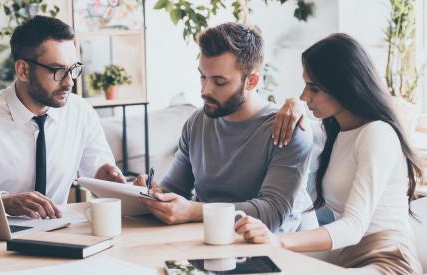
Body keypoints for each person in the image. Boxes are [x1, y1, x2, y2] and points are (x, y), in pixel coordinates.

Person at [235, 33, 423, 274]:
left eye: (313, 88)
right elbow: (293, 131)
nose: (305, 96)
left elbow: (353, 227)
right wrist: (294, 104)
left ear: (344, 86)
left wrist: (278, 241)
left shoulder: (377, 134)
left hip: (388, 262)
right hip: (348, 258)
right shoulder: (333, 132)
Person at [0, 16, 125, 219]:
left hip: (58, 234)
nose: (69, 82)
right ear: (23, 70)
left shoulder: (81, 112)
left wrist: (109, 183)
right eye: (58, 71)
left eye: (72, 69)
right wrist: (3, 202)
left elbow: (102, 180)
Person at [134, 22, 314, 233]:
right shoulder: (197, 122)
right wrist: (153, 194)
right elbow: (174, 189)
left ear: (252, 81)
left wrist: (195, 211)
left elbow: (272, 213)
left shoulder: (287, 128)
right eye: (203, 76)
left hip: (264, 251)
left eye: (219, 82)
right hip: (202, 240)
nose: (204, 90)